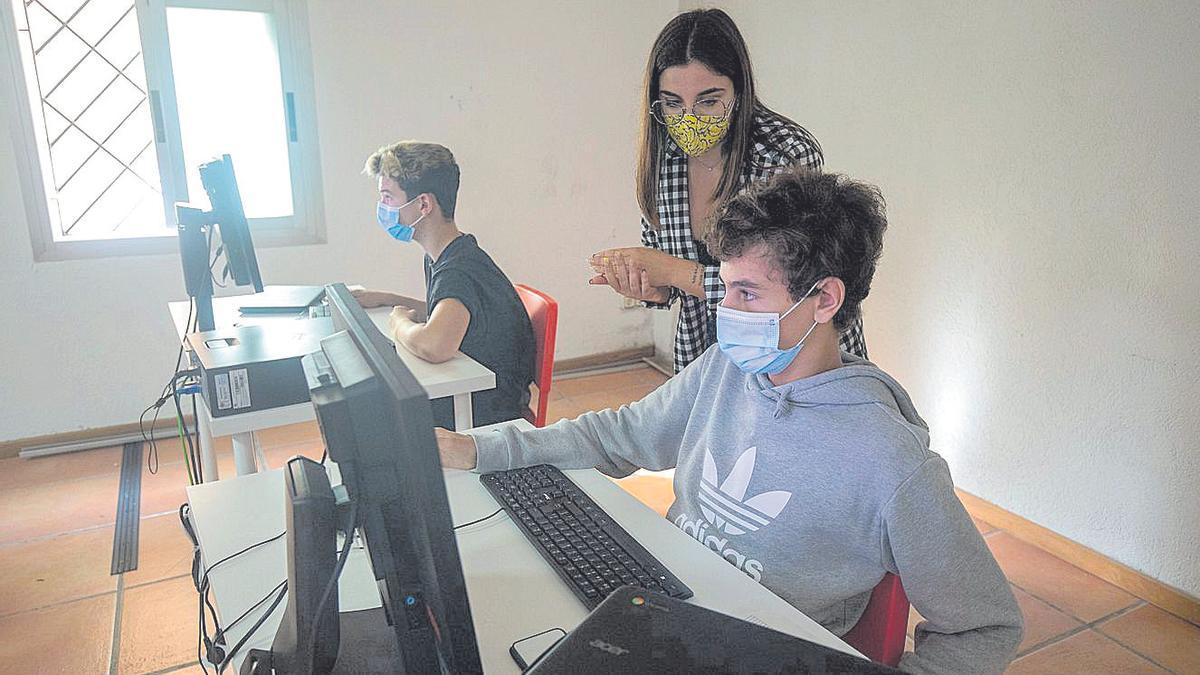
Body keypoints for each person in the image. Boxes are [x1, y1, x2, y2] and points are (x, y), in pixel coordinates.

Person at [440, 168, 1023, 674]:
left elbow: (985, 626)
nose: (725, 313)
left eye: (747, 294)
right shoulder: (726, 370)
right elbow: (616, 437)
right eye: (726, 289)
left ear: (825, 300)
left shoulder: (890, 460)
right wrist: (483, 449)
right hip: (668, 611)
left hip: (758, 652)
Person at [589, 8, 867, 374]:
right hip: (706, 356)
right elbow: (669, 276)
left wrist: (675, 273)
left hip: (794, 356)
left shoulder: (785, 155)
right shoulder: (663, 161)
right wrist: (652, 286)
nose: (690, 118)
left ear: (739, 91)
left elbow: (788, 289)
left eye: (708, 100)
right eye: (672, 102)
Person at [355, 141, 535, 430]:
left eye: (388, 197)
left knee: (372, 413)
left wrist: (399, 323)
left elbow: (435, 345)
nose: (383, 208)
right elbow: (446, 314)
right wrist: (384, 298)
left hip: (487, 413)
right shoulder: (451, 254)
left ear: (423, 204)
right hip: (481, 397)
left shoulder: (458, 270)